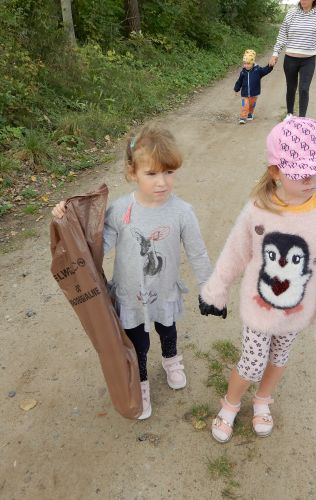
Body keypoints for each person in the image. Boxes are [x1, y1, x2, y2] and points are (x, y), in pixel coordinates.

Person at [199, 117, 316, 443]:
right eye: (299, 172)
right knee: (252, 363)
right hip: (260, 308)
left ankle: (263, 399)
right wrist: (217, 288)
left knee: (279, 357)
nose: (310, 179)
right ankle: (231, 402)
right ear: (275, 171)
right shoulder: (258, 210)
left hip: (297, 311)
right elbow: (235, 251)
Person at [52, 125, 212, 420]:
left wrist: (209, 288)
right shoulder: (119, 210)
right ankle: (141, 382)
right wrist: (67, 220)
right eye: (151, 173)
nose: (162, 182)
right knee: (138, 341)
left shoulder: (182, 212)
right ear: (132, 172)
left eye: (169, 172)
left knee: (167, 328)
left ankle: (171, 359)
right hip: (130, 295)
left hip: (163, 290)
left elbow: (197, 252)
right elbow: (96, 247)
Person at [268, 0, 316, 120]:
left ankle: (302, 119)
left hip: (308, 60)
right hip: (290, 59)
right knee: (291, 87)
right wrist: (275, 53)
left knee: (304, 89)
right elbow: (282, 34)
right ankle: (289, 114)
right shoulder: (291, 13)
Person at [234, 49, 274, 125]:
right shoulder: (243, 72)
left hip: (254, 93)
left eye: (248, 64)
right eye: (245, 63)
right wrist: (236, 88)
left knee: (251, 105)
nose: (246, 65)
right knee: (245, 105)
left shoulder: (257, 70)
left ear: (252, 63)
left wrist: (270, 66)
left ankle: (250, 113)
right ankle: (243, 117)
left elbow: (265, 70)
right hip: (245, 93)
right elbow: (239, 81)